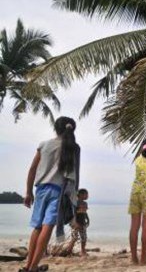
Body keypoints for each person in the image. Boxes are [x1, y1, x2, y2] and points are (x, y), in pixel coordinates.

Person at [22, 116, 80, 272]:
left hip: (40, 190)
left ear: (56, 128)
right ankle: (34, 267)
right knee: (48, 227)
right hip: (59, 192)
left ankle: (28, 266)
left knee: (37, 227)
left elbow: (32, 169)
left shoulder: (44, 145)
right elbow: (74, 176)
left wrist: (28, 192)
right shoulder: (73, 148)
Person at [66, 188, 90, 257]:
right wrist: (75, 222)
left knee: (84, 238)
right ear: (81, 195)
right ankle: (69, 251)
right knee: (74, 237)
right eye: (86, 194)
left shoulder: (85, 203)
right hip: (75, 223)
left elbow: (85, 213)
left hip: (82, 223)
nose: (87, 196)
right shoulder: (76, 203)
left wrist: (88, 220)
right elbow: (74, 213)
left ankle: (83, 251)